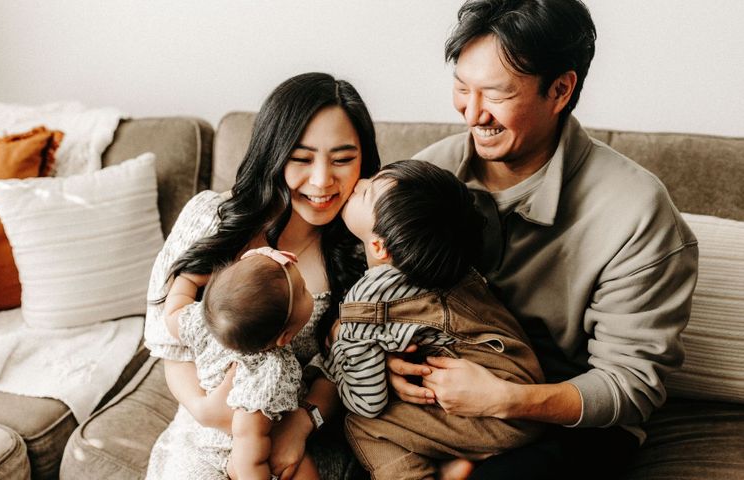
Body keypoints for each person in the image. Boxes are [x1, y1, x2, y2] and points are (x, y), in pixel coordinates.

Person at [393, 1, 699, 478]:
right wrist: (383, 365)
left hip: (572, 424)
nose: (472, 113)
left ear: (560, 90)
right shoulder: (426, 176)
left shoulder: (636, 211)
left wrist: (506, 400)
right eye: (460, 88)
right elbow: (360, 294)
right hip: (439, 407)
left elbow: (631, 384)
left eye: (495, 94)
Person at [143, 71, 381, 480]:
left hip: (300, 427)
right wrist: (204, 410)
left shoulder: (366, 245)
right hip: (205, 430)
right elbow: (169, 340)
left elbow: (349, 360)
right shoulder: (212, 218)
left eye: (343, 159)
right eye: (302, 159)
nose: (323, 181)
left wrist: (300, 425)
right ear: (274, 154)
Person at [324, 160, 544, 480]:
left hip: (497, 414)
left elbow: (367, 400)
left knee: (362, 422)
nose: (357, 184)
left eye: (366, 192)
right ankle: (454, 460)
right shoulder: (449, 262)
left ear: (378, 246)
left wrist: (339, 358)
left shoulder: (369, 299)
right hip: (527, 392)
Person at [162, 247, 318, 480]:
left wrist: (187, 280)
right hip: (237, 448)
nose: (309, 291)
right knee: (305, 472)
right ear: (284, 337)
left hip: (216, 432)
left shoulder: (203, 323)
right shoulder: (267, 374)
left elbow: (173, 312)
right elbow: (249, 439)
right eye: (304, 290)